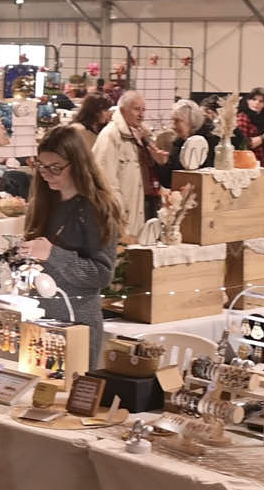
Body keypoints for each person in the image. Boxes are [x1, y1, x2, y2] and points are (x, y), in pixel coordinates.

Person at [21, 126, 122, 365]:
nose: (46, 173)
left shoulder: (97, 208)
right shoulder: (43, 201)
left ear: (77, 164)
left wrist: (52, 254)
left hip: (78, 325)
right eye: (41, 166)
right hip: (39, 321)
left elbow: (101, 274)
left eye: (55, 167)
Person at [91, 91, 164, 243]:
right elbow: (104, 180)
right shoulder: (110, 136)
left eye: (144, 110)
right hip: (121, 217)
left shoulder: (141, 136)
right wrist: (119, 214)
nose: (142, 115)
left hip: (142, 209)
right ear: (123, 110)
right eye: (137, 109)